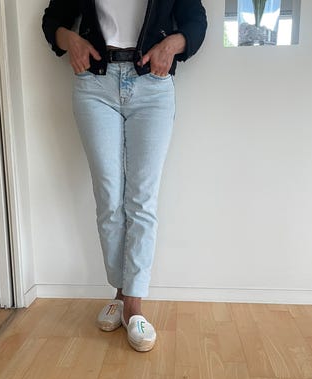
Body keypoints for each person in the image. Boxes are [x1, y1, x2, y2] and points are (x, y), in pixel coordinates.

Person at [42, 0, 207, 352]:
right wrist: (70, 40)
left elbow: (196, 22)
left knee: (142, 200)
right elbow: (53, 21)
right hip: (94, 85)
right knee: (108, 198)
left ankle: (132, 304)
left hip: (152, 84)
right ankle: (119, 292)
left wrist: (171, 45)